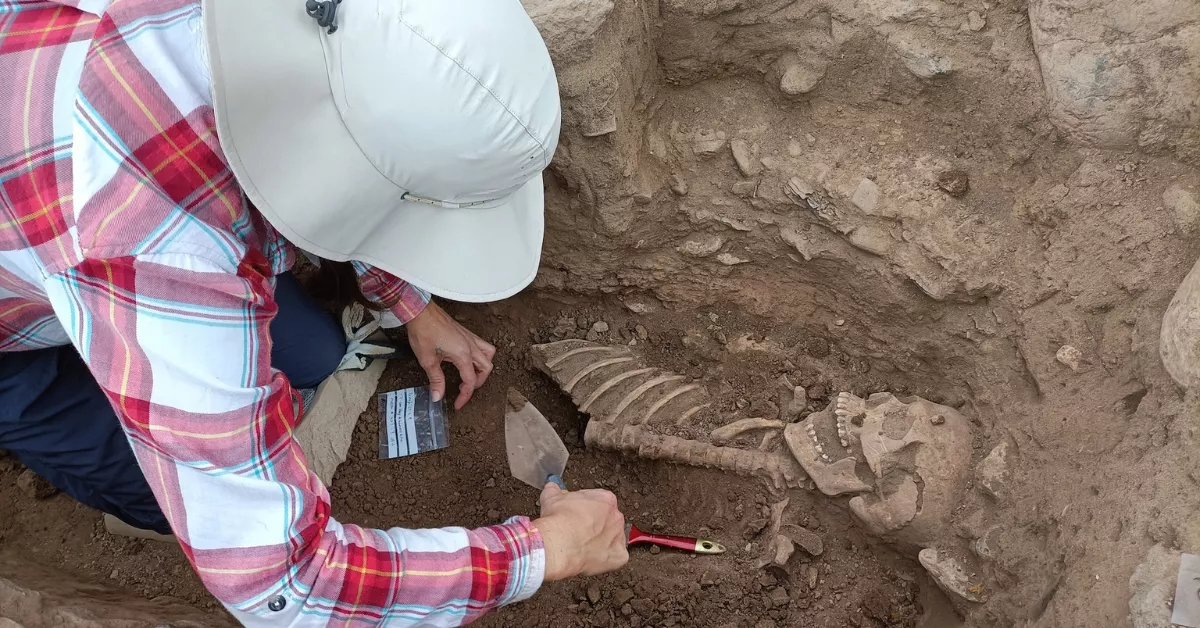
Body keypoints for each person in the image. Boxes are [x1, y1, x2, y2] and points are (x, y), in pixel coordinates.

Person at [0, 0, 629, 624]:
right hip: (19, 333)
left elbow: (344, 150)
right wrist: (550, 549)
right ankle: (138, 488)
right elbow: (288, 589)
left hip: (67, 231)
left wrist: (410, 306)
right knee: (160, 494)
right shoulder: (160, 253)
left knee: (318, 355)